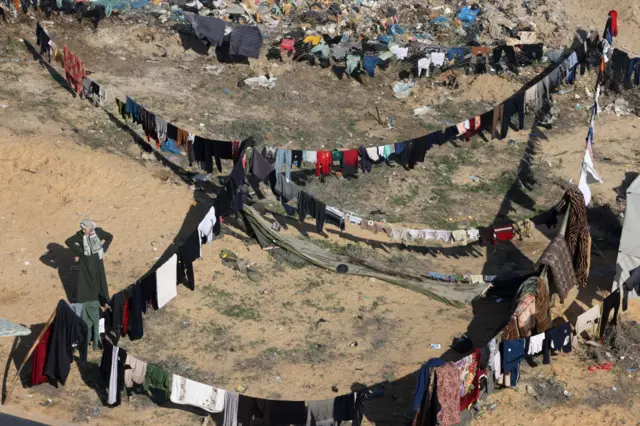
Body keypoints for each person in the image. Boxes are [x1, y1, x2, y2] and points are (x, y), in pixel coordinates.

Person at [65, 219, 113, 304]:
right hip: (85, 261)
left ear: (90, 228)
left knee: (98, 278)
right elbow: (68, 241)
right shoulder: (79, 235)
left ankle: (101, 299)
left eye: (84, 229)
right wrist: (79, 251)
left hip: (97, 260)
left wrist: (104, 248)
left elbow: (109, 236)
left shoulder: (98, 232)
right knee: (85, 280)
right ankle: (84, 300)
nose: (83, 231)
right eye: (82, 229)